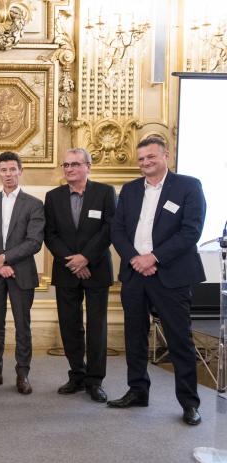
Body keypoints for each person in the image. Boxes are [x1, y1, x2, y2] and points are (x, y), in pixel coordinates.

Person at [109, 136, 206, 426]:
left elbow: (191, 232)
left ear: (166, 156)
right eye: (141, 159)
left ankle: (189, 403)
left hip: (171, 275)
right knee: (134, 337)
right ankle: (137, 390)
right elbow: (117, 230)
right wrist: (136, 259)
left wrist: (153, 258)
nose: (145, 163)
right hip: (135, 275)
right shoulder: (129, 190)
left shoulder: (188, 186)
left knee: (179, 340)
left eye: (151, 157)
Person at [44, 148, 116, 403]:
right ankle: (77, 374)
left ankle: (95, 381)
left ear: (88, 166)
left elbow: (109, 229)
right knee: (70, 326)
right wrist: (73, 261)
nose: (69, 169)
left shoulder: (105, 193)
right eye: (66, 165)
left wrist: (86, 257)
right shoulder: (53, 197)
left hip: (96, 269)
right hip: (66, 271)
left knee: (97, 327)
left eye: (75, 164)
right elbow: (50, 234)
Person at [0, 151, 44, 394]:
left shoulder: (34, 204)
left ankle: (22, 373)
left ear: (20, 171)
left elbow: (34, 242)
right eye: (3, 170)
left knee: (22, 325)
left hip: (21, 272)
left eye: (12, 169)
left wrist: (4, 258)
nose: (8, 174)